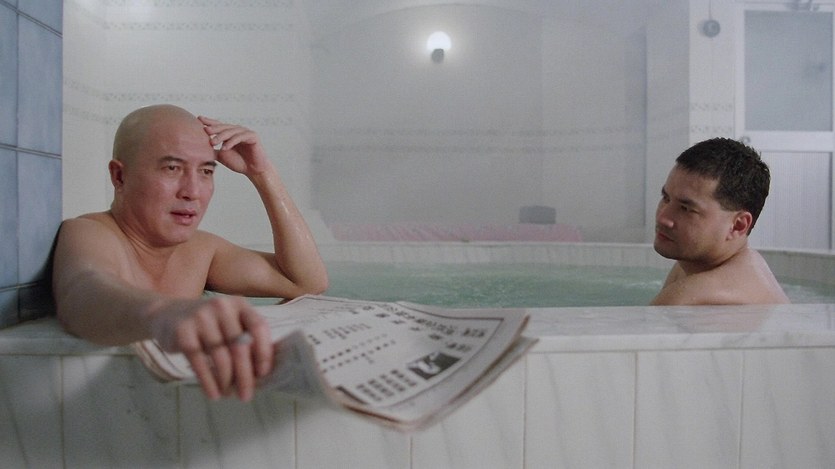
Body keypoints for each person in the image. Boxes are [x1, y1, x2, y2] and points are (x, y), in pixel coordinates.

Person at [52, 104, 329, 402]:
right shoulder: (91, 232)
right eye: (172, 168)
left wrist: (263, 174)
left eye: (206, 171)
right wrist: (165, 313)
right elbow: (83, 294)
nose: (192, 191)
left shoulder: (202, 251)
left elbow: (305, 282)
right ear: (120, 176)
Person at [651, 137, 789, 305]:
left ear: (738, 225)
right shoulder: (692, 265)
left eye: (686, 209)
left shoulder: (689, 295)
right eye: (666, 198)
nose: (663, 218)